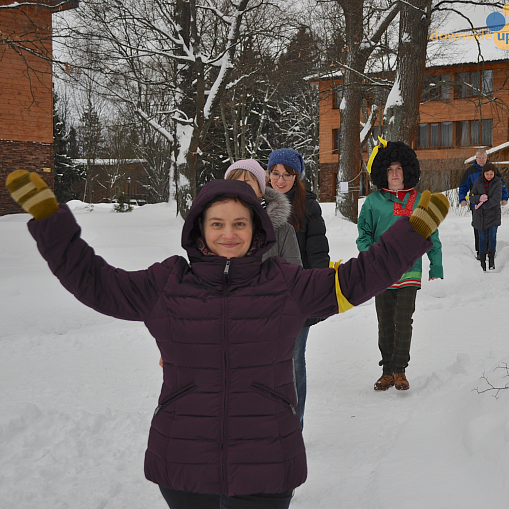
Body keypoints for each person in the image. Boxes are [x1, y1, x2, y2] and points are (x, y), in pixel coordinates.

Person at [6, 169, 449, 509]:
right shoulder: (167, 284)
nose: (229, 233)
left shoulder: (286, 284)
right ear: (199, 229)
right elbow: (96, 283)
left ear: (258, 229)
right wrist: (52, 223)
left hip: (267, 464)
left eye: (240, 223)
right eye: (217, 224)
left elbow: (359, 277)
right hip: (183, 462)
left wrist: (412, 232)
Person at [357, 138, 444, 392]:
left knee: (403, 321)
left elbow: (432, 234)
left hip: (410, 269)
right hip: (381, 271)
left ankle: (400, 371)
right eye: (389, 170)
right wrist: (371, 255)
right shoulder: (373, 201)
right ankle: (386, 371)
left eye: (399, 169)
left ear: (407, 170)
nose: (394, 174)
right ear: (383, 173)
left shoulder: (419, 200)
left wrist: (435, 265)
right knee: (385, 322)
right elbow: (363, 234)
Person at [267, 148, 329, 430]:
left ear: (296, 177)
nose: (280, 180)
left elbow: (318, 254)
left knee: (293, 362)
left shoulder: (308, 206)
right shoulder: (257, 204)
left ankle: (295, 425)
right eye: (275, 173)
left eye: (287, 174)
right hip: (261, 299)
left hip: (296, 298)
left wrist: (314, 294)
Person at [224, 159, 301, 265]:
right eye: (234, 184)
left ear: (260, 190)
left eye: (247, 184)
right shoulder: (212, 228)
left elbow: (295, 277)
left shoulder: (283, 231)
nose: (239, 190)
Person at [459, 148, 508, 259]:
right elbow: (463, 187)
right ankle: (480, 252)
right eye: (479, 158)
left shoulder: (493, 170)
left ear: (487, 158)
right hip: (477, 207)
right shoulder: (470, 171)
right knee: (479, 229)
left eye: (483, 158)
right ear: (476, 159)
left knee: (491, 230)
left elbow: (502, 185)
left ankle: (490, 251)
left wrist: (504, 198)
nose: (481, 160)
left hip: (492, 206)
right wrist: (462, 199)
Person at [470, 163, 502, 271]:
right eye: (487, 174)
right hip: (480, 216)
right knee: (482, 238)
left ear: (494, 173)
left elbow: (496, 198)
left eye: (491, 174)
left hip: (493, 214)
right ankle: (482, 262)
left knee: (492, 236)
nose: (489, 176)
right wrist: (479, 198)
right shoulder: (478, 182)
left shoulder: (498, 182)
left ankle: (491, 260)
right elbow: (472, 196)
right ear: (483, 173)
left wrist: (484, 206)